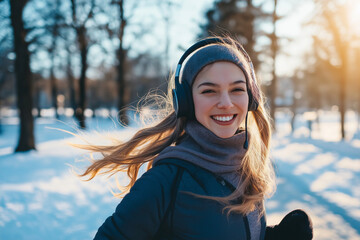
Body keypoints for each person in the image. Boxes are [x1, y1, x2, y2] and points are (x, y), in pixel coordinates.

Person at [80, 36, 313, 240]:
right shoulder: (166, 181)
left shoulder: (243, 167)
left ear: (251, 98)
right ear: (187, 102)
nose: (225, 102)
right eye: (209, 90)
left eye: (237, 89)